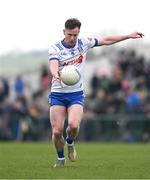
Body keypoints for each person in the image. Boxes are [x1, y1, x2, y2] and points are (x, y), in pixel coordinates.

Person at [48, 18, 144, 167]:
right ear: (64, 32)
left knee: (73, 126)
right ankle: (60, 159)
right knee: (56, 131)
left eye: (75, 34)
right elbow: (53, 65)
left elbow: (106, 40)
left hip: (76, 94)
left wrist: (127, 35)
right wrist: (56, 74)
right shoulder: (55, 48)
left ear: (79, 32)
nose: (73, 38)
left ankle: (70, 142)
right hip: (58, 94)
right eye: (69, 34)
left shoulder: (83, 43)